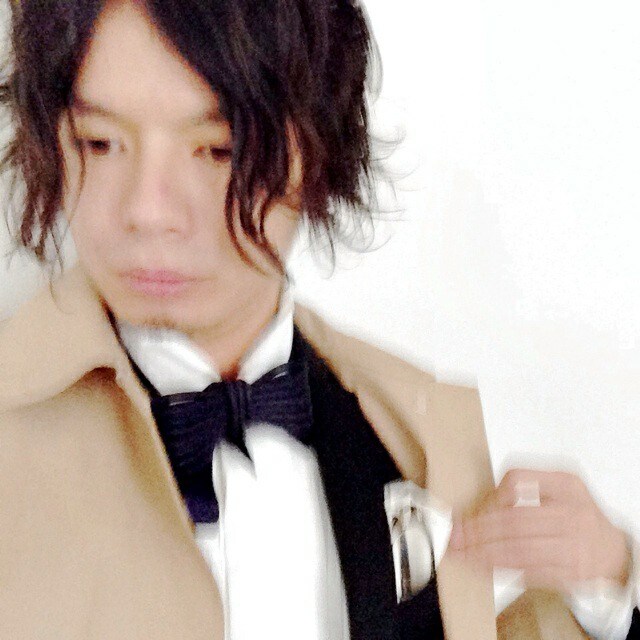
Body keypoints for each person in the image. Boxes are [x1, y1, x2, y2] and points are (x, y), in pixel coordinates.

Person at [0, 0, 620, 638]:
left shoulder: (411, 426)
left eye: (217, 149)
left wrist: (611, 591)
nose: (147, 211)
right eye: (99, 143)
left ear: (320, 152)